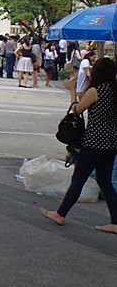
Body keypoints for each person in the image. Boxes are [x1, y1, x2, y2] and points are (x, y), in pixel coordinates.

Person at [42, 57, 117, 234]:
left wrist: (72, 90)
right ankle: (115, 221)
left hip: (93, 142)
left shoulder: (96, 91)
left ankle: (60, 214)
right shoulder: (115, 90)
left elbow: (77, 109)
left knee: (78, 179)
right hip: (112, 142)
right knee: (105, 182)